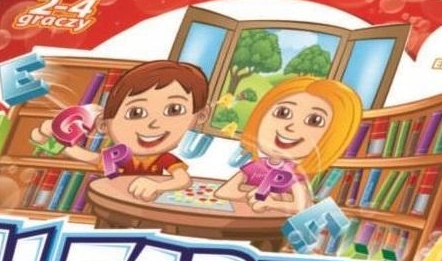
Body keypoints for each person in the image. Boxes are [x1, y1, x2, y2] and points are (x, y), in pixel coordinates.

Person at [30, 60, 210, 201]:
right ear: (104, 124)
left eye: (174, 110)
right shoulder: (116, 156)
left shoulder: (163, 158)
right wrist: (48, 141)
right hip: (112, 203)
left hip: (144, 205)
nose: (154, 124)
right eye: (136, 113)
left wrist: (157, 186)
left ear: (201, 116)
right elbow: (83, 155)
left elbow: (183, 180)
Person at [215, 77, 362, 214]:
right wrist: (255, 195)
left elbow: (302, 206)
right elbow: (223, 192)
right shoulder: (256, 166)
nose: (291, 127)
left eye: (314, 121)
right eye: (283, 113)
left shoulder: (293, 173)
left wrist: (272, 203)